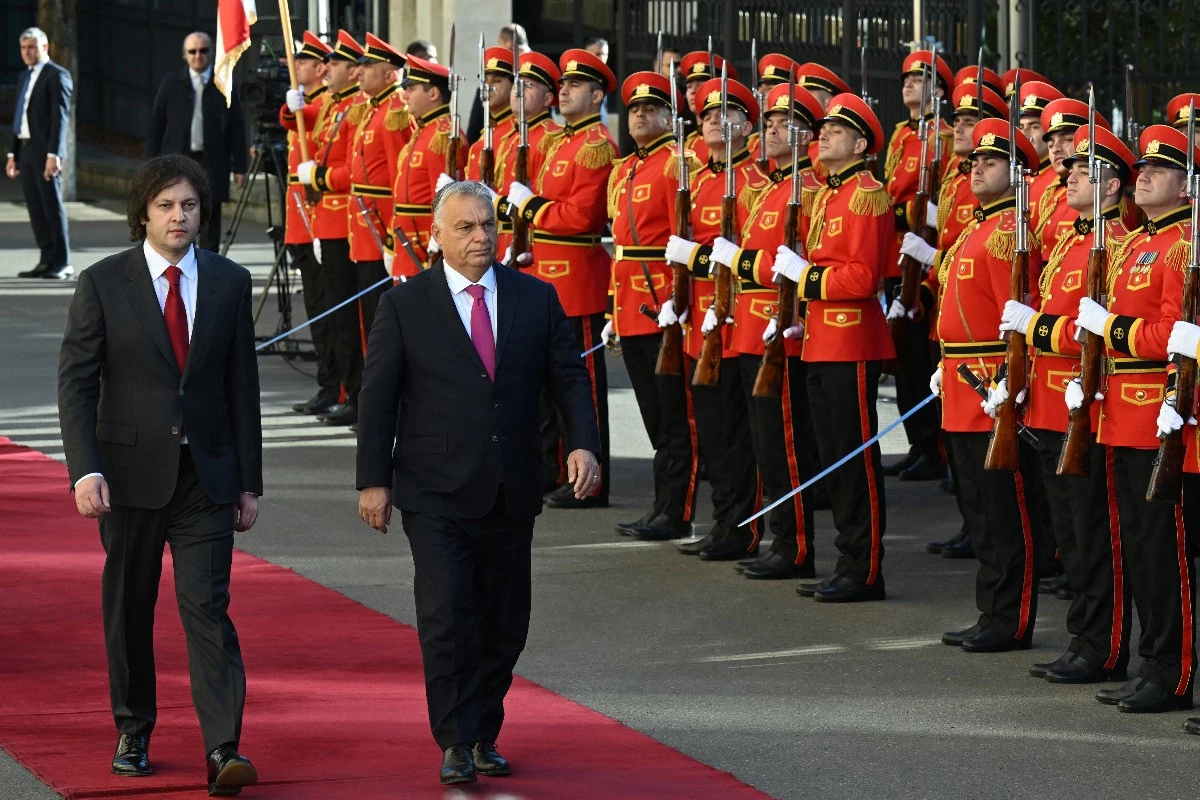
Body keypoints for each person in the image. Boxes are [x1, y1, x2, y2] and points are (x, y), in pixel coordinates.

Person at [355, 180, 600, 786]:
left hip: (511, 487)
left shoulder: (535, 298)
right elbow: (377, 401)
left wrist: (585, 443)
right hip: (433, 489)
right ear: (436, 237)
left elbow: (569, 379)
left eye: (488, 225)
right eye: (464, 227)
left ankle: (484, 729)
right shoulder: (405, 306)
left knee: (505, 618)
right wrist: (372, 482)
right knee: (446, 614)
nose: (480, 237)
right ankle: (456, 739)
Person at [57, 154, 262, 796]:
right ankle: (133, 728)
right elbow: (76, 383)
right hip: (128, 477)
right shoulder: (102, 282)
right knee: (130, 607)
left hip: (206, 476)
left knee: (207, 606)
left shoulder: (229, 281)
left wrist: (248, 481)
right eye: (167, 205)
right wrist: (85, 469)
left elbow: (241, 389)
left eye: (191, 205)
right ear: (142, 212)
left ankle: (224, 747)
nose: (180, 216)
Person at [998, 124, 1135, 684]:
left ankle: (1102, 645)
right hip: (1053, 406)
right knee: (1070, 533)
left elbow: (1091, 333)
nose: (1069, 175)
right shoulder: (1072, 240)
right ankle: (1084, 636)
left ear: (1110, 187)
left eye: (1083, 172)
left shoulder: (1117, 245)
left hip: (1085, 406)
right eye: (1071, 169)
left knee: (1093, 532)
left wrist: (1035, 328)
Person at [1076, 124, 1195, 713]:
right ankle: (1153, 662)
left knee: (1163, 548)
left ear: (1186, 186)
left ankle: (1171, 670)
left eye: (1159, 169)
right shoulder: (1133, 243)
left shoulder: (1183, 245)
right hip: (1121, 413)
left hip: (1159, 416)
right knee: (1139, 548)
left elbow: (1178, 334)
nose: (1142, 174)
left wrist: (1114, 331)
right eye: (1142, 166)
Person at [931, 118, 1044, 650]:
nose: (976, 167)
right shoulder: (976, 227)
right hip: (959, 376)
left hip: (989, 381)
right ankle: (990, 609)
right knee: (976, 505)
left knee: (1003, 506)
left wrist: (1008, 378)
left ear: (1017, 173)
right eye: (975, 161)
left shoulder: (1009, 233)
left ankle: (1010, 617)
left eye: (991, 162)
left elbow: (1018, 314)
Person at [707, 81, 826, 579]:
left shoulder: (810, 190)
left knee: (785, 445)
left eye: (785, 125)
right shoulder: (768, 188)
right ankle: (773, 535)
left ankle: (794, 544)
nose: (773, 131)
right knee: (761, 443)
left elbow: (794, 264)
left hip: (780, 328)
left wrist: (741, 261)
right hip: (749, 326)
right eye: (771, 124)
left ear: (807, 137)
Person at [781, 93, 895, 602]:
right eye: (822, 128)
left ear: (861, 144)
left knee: (855, 460)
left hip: (851, 339)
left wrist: (807, 276)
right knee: (833, 460)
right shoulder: (828, 192)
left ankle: (865, 568)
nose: (822, 134)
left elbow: (865, 277)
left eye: (836, 130)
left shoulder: (867, 193)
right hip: (822, 340)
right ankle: (847, 560)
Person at [660, 74, 769, 561]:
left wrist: (698, 259)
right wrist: (675, 297)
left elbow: (748, 255)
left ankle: (742, 525)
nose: (713, 122)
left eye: (725, 114)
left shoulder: (754, 184)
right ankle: (723, 519)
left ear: (747, 125)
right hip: (696, 323)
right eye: (706, 115)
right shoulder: (697, 179)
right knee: (711, 429)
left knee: (736, 431)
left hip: (733, 317)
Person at [505, 48, 618, 509]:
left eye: (576, 85)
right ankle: (555, 472)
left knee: (580, 388)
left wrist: (530, 207)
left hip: (576, 280)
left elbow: (580, 216)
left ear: (596, 97)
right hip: (543, 276)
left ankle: (590, 482)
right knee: (545, 390)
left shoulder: (595, 145)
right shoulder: (559, 141)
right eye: (564, 83)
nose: (564, 89)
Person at [603, 71, 700, 541]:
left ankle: (676, 510)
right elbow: (618, 244)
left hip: (662, 300)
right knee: (653, 417)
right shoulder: (624, 168)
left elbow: (687, 235)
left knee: (673, 418)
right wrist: (610, 311)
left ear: (670, 116)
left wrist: (679, 301)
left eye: (652, 108)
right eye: (635, 109)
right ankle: (662, 504)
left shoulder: (678, 164)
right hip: (630, 303)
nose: (641, 114)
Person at [331, 32, 412, 428]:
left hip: (382, 228)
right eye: (358, 66)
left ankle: (383, 408)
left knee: (383, 327)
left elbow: (403, 181)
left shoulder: (396, 111)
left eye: (367, 67)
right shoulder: (371, 109)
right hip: (363, 227)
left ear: (389, 72)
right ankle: (368, 403)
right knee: (368, 324)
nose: (359, 72)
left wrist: (396, 236)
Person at [882, 50, 954, 482]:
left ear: (939, 91)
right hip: (898, 254)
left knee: (925, 356)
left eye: (919, 78)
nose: (909, 83)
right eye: (906, 77)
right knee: (904, 355)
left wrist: (913, 217)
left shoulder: (942, 136)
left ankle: (935, 445)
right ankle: (916, 441)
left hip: (924, 251)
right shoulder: (899, 135)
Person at [293, 29, 368, 418]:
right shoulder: (334, 106)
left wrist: (319, 177)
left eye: (335, 64)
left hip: (348, 221)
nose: (327, 69)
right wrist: (293, 106)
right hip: (327, 220)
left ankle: (352, 394)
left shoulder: (356, 108)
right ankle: (343, 390)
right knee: (333, 314)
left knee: (349, 317)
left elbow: (361, 173)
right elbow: (297, 124)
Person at [280, 32, 342, 417]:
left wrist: (295, 110)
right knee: (317, 304)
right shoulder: (309, 103)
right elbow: (288, 121)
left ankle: (334, 385)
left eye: (302, 62)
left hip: (318, 214)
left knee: (327, 306)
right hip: (300, 217)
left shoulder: (325, 106)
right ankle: (328, 383)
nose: (295, 67)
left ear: (321, 68)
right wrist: (291, 109)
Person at [7, 26, 73, 280]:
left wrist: (54, 154)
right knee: (35, 208)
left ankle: (63, 262)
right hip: (25, 150)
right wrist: (12, 154)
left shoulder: (57, 75)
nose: (27, 52)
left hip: (45, 152)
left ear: (45, 47)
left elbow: (60, 118)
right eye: (23, 48)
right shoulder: (25, 76)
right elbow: (19, 115)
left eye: (32, 47)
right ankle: (46, 260)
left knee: (51, 206)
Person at [391, 54, 466, 272]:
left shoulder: (443, 137)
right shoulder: (424, 132)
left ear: (433, 93)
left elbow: (447, 201)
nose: (404, 95)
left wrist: (439, 243)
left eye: (412, 88)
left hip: (424, 242)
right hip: (407, 239)